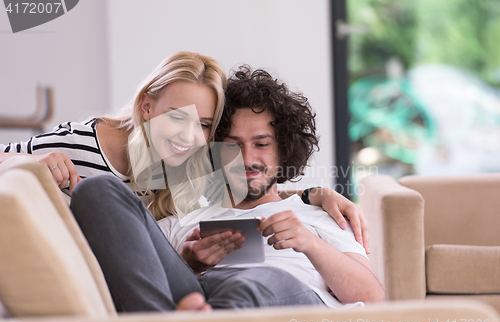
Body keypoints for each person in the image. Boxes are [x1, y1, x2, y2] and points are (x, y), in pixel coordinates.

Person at [69, 66, 384, 312]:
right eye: (232, 145)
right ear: (211, 149)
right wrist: (187, 264)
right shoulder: (179, 219)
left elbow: (373, 298)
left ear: (284, 149)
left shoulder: (318, 214)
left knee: (255, 282)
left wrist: (310, 243)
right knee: (97, 189)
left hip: (284, 297)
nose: (247, 158)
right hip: (196, 295)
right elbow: (133, 272)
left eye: (261, 144)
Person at [0, 51, 371, 251]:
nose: (190, 136)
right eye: (180, 117)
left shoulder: (183, 161)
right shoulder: (85, 144)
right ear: (146, 106)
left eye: (205, 124)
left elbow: (251, 190)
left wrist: (314, 194)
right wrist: (28, 161)